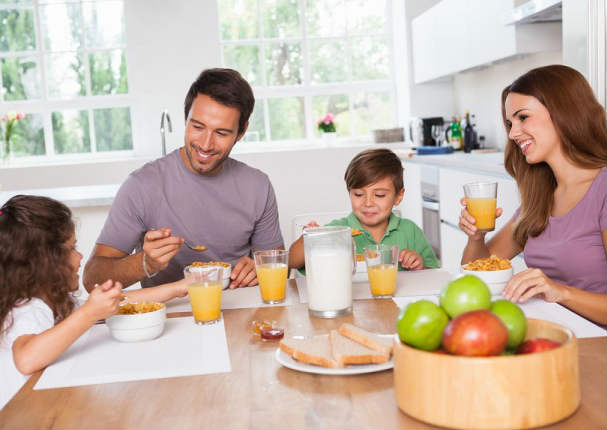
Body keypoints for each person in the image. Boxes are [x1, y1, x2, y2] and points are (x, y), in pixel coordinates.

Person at [83, 68, 284, 292]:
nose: (206, 145)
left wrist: (258, 267)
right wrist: (145, 263)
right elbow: (92, 280)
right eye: (197, 127)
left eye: (221, 133)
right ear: (186, 119)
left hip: (240, 311)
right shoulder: (141, 186)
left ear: (241, 132)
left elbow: (275, 264)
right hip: (172, 316)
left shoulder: (257, 186)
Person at [0, 195, 188, 409]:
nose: (80, 256)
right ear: (43, 262)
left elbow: (121, 300)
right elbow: (26, 359)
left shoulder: (58, 300)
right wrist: (89, 313)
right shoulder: (29, 306)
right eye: (71, 249)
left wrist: (178, 287)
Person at [459, 64, 606, 325]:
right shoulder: (542, 197)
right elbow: (476, 274)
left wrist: (560, 292)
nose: (513, 133)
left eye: (523, 117)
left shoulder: (602, 189)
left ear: (563, 112)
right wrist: (476, 237)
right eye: (509, 123)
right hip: (552, 334)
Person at [289, 148, 439, 270]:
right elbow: (291, 263)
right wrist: (308, 240)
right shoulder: (337, 232)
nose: (368, 203)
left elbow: (433, 275)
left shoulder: (410, 232)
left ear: (398, 196)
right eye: (359, 194)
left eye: (379, 195)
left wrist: (419, 266)